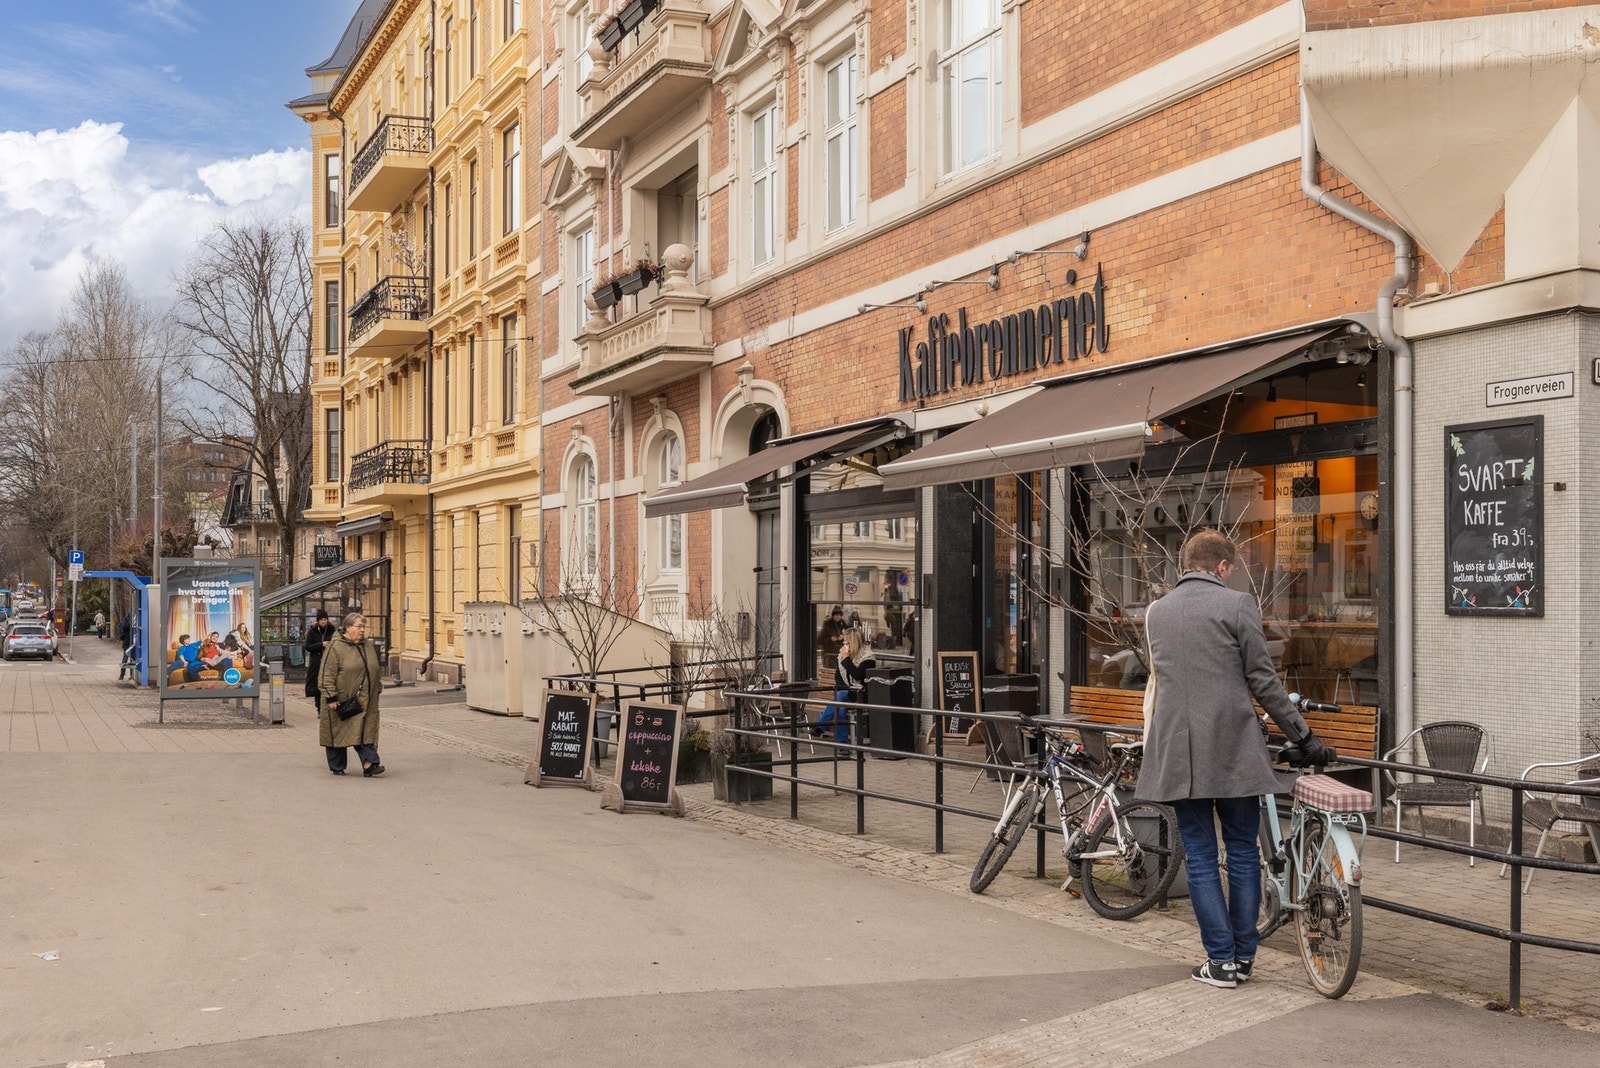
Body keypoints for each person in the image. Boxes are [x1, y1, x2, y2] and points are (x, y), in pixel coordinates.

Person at [1137, 529, 1335, 989]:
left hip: (1178, 751)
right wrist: (1303, 736)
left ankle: (1220, 962)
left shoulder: (1156, 613)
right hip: (1231, 749)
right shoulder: (1238, 604)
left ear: (1187, 564)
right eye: (1232, 569)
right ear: (1223, 566)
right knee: (1244, 850)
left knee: (1202, 857)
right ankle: (1243, 958)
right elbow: (1263, 683)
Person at [317, 611, 385, 777]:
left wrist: (378, 685)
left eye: (364, 626)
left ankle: (370, 764)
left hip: (366, 698)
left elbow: (372, 669)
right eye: (358, 626)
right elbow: (326, 673)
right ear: (347, 628)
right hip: (342, 698)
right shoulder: (336, 646)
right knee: (338, 731)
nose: (362, 630)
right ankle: (337, 766)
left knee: (364, 729)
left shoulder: (367, 645)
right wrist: (330, 696)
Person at [302, 609, 336, 705]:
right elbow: (308, 647)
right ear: (318, 621)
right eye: (321, 619)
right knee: (317, 684)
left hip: (329, 661)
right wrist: (321, 645)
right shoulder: (312, 632)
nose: (323, 621)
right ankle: (319, 707)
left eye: (325, 619)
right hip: (316, 662)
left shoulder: (332, 631)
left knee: (328, 682)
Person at [815, 604, 847, 678]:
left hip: (841, 654)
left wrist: (843, 637)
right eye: (836, 615)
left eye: (839, 615)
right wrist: (831, 639)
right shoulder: (828, 624)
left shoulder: (844, 624)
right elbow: (820, 640)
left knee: (840, 674)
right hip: (829, 654)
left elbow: (850, 637)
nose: (838, 617)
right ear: (833, 615)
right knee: (831, 674)